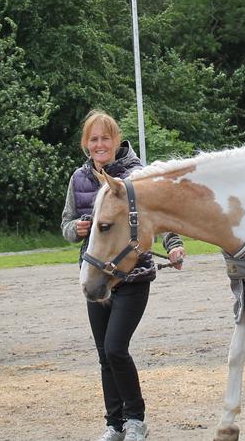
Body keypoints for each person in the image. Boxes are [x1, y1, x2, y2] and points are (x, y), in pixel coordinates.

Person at [61, 110, 185, 441]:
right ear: (85, 144)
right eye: (93, 139)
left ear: (117, 140)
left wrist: (173, 246)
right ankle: (114, 424)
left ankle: (136, 421)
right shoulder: (79, 179)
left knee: (116, 348)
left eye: (105, 138)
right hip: (96, 276)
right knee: (104, 354)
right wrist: (76, 228)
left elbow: (159, 217)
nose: (100, 144)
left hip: (132, 276)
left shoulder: (137, 175)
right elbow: (66, 225)